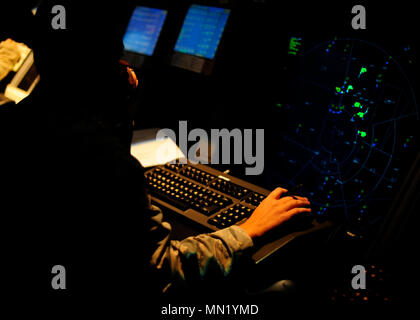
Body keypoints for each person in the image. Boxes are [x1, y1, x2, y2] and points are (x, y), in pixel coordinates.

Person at [0, 1, 311, 314]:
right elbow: (161, 277)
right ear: (108, 67)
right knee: (288, 289)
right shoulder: (106, 164)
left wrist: (112, 122)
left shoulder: (16, 126)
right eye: (116, 56)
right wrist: (248, 231)